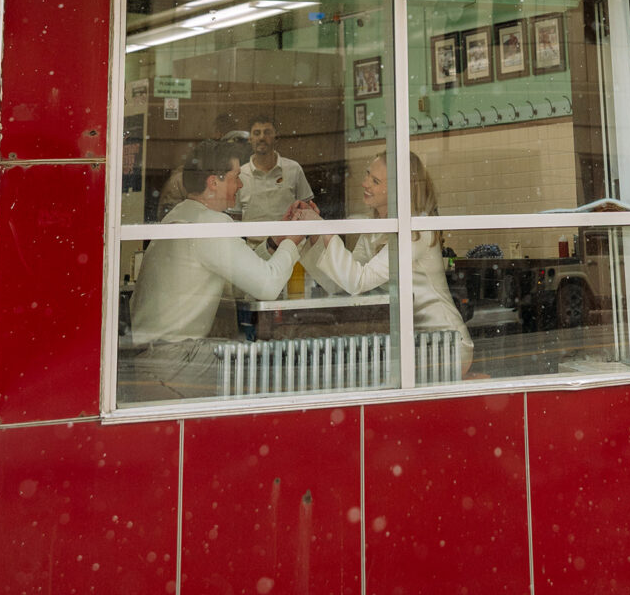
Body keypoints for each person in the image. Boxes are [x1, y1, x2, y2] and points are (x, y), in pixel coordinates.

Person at [121, 140, 303, 401]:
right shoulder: (211, 224)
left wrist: (275, 243)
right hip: (179, 362)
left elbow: (242, 281)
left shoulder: (181, 215)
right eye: (235, 177)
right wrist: (292, 240)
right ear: (213, 182)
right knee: (278, 370)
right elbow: (267, 286)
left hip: (153, 359)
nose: (240, 185)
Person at [291, 151, 473, 375]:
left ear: (399, 190)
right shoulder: (376, 226)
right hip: (412, 342)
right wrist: (313, 236)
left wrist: (322, 228)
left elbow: (359, 280)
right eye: (368, 175)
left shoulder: (417, 230)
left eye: (375, 181)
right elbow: (343, 283)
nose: (364, 183)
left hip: (446, 345)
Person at [235, 114, 314, 339]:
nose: (262, 138)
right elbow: (233, 220)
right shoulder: (239, 174)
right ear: (250, 139)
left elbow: (307, 210)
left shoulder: (293, 169)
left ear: (275, 136)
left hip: (290, 253)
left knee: (290, 314)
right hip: (252, 254)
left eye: (267, 132)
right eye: (257, 133)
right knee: (256, 316)